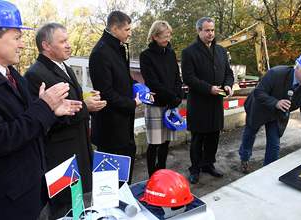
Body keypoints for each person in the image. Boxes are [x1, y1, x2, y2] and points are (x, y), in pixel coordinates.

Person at [0, 1, 82, 219]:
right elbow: (1, 140)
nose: (22, 45)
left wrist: (50, 112)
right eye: (17, 38)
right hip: (2, 203)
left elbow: (26, 121)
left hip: (29, 192)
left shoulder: (10, 73)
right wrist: (44, 107)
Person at [24, 23, 107, 218]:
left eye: (68, 40)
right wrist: (85, 107)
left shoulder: (64, 67)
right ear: (46, 45)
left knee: (78, 206)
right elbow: (42, 120)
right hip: (60, 157)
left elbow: (72, 101)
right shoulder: (35, 75)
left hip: (79, 150)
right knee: (64, 209)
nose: (68, 45)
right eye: (63, 41)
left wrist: (87, 101)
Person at [239, 51, 301, 173]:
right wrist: (276, 103)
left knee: (274, 145)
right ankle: (244, 158)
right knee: (249, 134)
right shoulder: (276, 73)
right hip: (259, 108)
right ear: (297, 66)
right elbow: (258, 92)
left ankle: (268, 171)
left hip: (277, 116)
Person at [89, 11, 141, 184]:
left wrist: (136, 85)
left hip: (123, 124)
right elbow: (106, 92)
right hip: (110, 128)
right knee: (110, 182)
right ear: (114, 28)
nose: (130, 33)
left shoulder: (118, 47)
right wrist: (132, 103)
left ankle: (124, 202)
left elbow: (123, 77)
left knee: (125, 176)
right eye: (127, 29)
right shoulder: (100, 53)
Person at [181, 17, 234, 184]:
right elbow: (188, 78)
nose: (210, 33)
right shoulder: (189, 52)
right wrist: (208, 88)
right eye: (207, 30)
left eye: (212, 30)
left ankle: (208, 164)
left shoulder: (220, 50)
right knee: (198, 138)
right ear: (199, 31)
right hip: (199, 102)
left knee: (213, 136)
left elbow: (228, 73)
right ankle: (195, 168)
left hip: (216, 102)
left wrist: (228, 85)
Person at [139, 21, 184, 177]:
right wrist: (172, 96)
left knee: (166, 141)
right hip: (156, 105)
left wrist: (179, 96)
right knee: (155, 143)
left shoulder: (170, 53)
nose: (168, 38)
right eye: (165, 36)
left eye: (169, 35)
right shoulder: (146, 56)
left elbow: (177, 77)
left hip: (171, 104)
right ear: (155, 36)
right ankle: (153, 176)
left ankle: (162, 172)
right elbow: (152, 82)